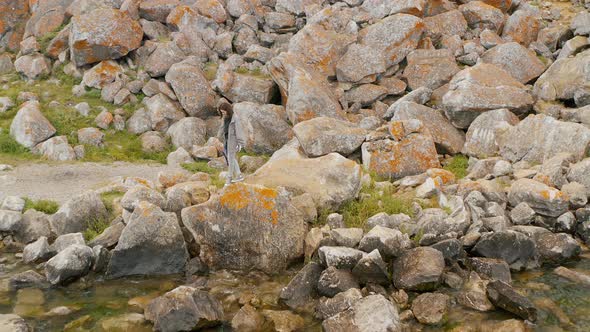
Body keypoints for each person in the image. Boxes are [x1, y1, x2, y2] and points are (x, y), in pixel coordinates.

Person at [218, 99, 245, 185]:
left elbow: (239, 131)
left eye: (224, 112)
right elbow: (223, 128)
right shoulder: (225, 118)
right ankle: (239, 175)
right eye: (222, 112)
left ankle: (229, 179)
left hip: (233, 141)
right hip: (226, 141)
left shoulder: (235, 118)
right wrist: (219, 137)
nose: (223, 113)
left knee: (230, 159)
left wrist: (240, 143)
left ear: (227, 110)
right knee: (231, 158)